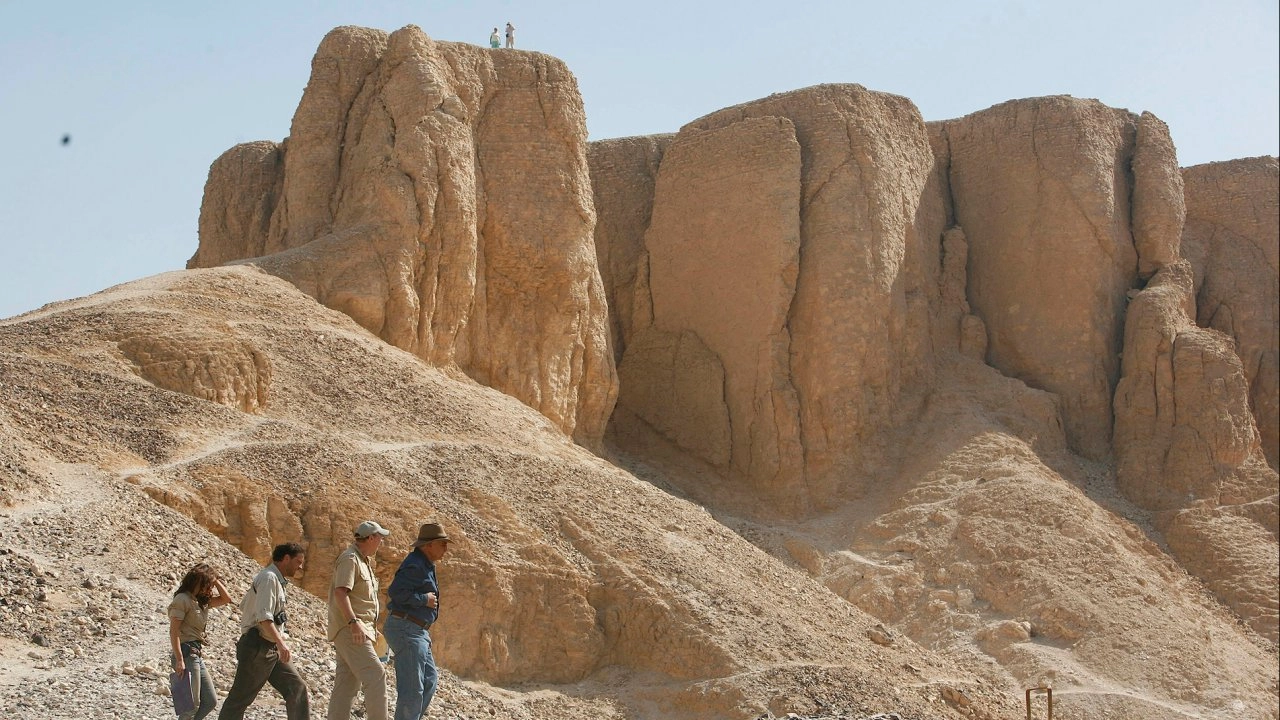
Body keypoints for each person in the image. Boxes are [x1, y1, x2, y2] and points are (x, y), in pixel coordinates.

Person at [218, 543, 310, 720]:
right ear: (286, 558)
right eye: (298, 562)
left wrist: (278, 644)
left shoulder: (277, 580)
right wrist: (281, 643)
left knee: (296, 687)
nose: (300, 567)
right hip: (258, 647)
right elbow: (264, 617)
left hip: (270, 648)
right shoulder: (269, 578)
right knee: (240, 699)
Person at [385, 523, 451, 720]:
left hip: (417, 631)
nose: (446, 549)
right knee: (412, 690)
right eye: (442, 544)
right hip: (407, 629)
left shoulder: (425, 564)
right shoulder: (415, 564)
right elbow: (396, 592)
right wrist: (424, 600)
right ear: (428, 545)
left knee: (429, 680)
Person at [327, 521, 390, 720]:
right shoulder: (350, 559)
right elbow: (340, 592)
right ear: (371, 538)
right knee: (376, 675)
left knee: (346, 684)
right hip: (351, 630)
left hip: (357, 628)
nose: (381, 542)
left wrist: (370, 627)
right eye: (379, 538)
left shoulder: (363, 561)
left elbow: (361, 600)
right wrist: (354, 623)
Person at [168, 564, 233, 720]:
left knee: (210, 701)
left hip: (196, 655)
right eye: (208, 585)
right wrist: (179, 660)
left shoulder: (200, 602)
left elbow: (226, 599)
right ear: (199, 582)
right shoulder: (182, 599)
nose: (210, 589)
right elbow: (174, 631)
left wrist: (215, 580)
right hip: (186, 653)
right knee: (190, 707)